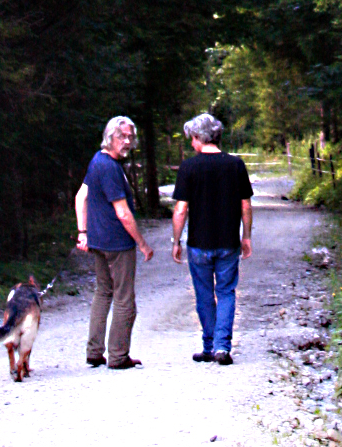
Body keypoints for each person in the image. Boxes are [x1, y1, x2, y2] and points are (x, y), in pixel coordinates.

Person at [171, 112, 253, 365]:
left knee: (204, 295)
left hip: (199, 243)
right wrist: (246, 236)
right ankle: (221, 347)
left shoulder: (189, 167)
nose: (191, 144)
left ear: (198, 137)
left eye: (191, 139)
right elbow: (246, 206)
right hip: (228, 241)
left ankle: (209, 346)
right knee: (227, 292)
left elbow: (181, 209)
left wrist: (176, 241)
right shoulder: (235, 165)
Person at [74, 115, 153, 369]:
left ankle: (94, 351)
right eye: (122, 136)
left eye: (130, 136)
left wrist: (83, 232)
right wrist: (142, 243)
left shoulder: (97, 161)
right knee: (124, 299)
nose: (127, 141)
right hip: (117, 244)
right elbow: (123, 213)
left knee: (103, 292)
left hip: (98, 241)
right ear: (110, 137)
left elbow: (80, 196)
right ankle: (118, 356)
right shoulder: (109, 167)